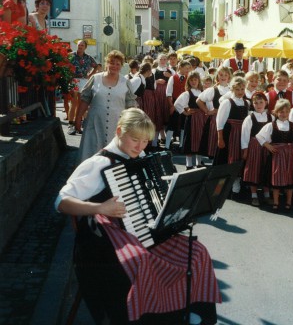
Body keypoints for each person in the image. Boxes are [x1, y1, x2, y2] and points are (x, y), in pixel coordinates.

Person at [55, 108, 221, 324]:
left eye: (145, 141)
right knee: (141, 260)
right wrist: (99, 208)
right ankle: (148, 318)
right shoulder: (98, 164)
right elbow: (61, 202)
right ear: (119, 131)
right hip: (103, 241)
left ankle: (187, 311)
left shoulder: (139, 156)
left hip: (141, 229)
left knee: (196, 252)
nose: (140, 146)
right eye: (135, 139)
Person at [75, 50, 137, 164]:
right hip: (94, 124)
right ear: (106, 64)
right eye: (112, 62)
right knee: (91, 153)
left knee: (113, 157)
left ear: (121, 66)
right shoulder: (95, 79)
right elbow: (85, 99)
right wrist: (78, 118)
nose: (114, 66)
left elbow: (130, 106)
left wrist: (132, 126)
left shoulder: (125, 82)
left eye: (118, 64)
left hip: (116, 125)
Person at [256, 99, 293, 212]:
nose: (283, 114)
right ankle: (276, 202)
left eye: (286, 112)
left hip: (290, 156)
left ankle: (288, 202)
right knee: (276, 180)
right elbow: (259, 136)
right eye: (281, 112)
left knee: (290, 179)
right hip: (277, 156)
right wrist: (268, 146)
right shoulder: (271, 125)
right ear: (276, 112)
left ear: (289, 112)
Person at [214, 76, 249, 197]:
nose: (240, 92)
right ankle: (220, 189)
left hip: (242, 135)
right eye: (238, 89)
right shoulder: (227, 102)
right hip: (229, 134)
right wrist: (220, 138)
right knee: (226, 160)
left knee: (239, 160)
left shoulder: (246, 103)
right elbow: (220, 122)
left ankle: (235, 188)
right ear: (233, 89)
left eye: (242, 89)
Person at [241, 92, 273, 206]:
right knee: (254, 170)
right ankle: (254, 195)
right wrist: (245, 150)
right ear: (252, 104)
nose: (259, 105)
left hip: (267, 147)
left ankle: (266, 194)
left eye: (261, 102)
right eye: (256, 103)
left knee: (266, 169)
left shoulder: (271, 117)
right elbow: (244, 135)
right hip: (254, 147)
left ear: (266, 103)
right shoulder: (250, 118)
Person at [196, 66, 232, 159]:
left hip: (229, 121)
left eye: (225, 75)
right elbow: (199, 100)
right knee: (214, 146)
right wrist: (207, 111)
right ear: (217, 77)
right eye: (221, 75)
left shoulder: (232, 90)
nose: (223, 77)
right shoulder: (213, 90)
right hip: (216, 120)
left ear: (229, 77)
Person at [174, 72, 206, 169]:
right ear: (188, 81)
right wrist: (185, 112)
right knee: (190, 139)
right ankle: (189, 164)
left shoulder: (202, 92)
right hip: (192, 119)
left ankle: (198, 162)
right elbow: (177, 104)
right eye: (191, 80)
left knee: (200, 139)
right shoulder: (187, 93)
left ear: (198, 81)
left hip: (201, 119)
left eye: (195, 80)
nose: (193, 82)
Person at [67, 40, 98, 135]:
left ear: (85, 47)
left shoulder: (88, 58)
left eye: (82, 45)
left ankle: (78, 124)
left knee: (81, 103)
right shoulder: (71, 55)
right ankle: (71, 124)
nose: (80, 46)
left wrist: (90, 75)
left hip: (84, 80)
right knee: (73, 102)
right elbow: (64, 65)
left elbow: (96, 66)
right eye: (79, 45)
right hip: (73, 80)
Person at [165, 60, 192, 150]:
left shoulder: (189, 78)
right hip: (175, 102)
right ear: (180, 67)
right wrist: (171, 105)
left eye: (189, 68)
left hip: (185, 103)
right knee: (172, 124)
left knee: (183, 124)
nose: (188, 70)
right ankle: (167, 145)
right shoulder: (173, 78)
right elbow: (169, 93)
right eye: (186, 68)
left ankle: (181, 145)